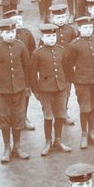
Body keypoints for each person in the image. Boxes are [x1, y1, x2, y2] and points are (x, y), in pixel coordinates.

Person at [0, 18, 32, 162]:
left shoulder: (21, 46)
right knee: (4, 119)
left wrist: (27, 86)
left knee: (18, 118)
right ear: (1, 33)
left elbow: (27, 67)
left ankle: (17, 147)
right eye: (7, 32)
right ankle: (6, 148)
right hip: (2, 92)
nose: (10, 35)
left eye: (12, 32)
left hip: (19, 89)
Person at [29, 23, 74, 156]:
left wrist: (66, 85)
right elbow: (32, 74)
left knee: (60, 115)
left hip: (60, 88)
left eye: (53, 36)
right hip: (45, 90)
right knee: (48, 116)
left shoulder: (61, 50)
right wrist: (36, 91)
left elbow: (67, 69)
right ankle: (48, 142)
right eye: (48, 36)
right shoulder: (37, 54)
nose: (52, 39)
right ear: (42, 38)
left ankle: (58, 141)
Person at [64, 16, 94, 149]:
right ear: (79, 28)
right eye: (85, 28)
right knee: (85, 108)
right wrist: (75, 79)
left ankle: (92, 133)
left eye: (90, 28)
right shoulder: (74, 45)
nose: (88, 30)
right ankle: (84, 134)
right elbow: (68, 64)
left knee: (93, 107)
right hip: (82, 81)